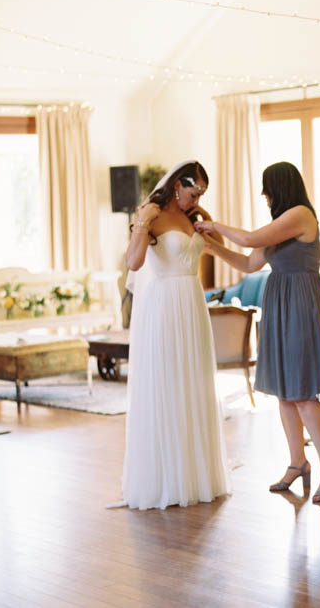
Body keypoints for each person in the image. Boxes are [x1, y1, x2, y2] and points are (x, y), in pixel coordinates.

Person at [195, 161, 320, 503]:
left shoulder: (301, 215)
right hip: (279, 302)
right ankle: (297, 462)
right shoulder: (279, 224)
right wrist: (213, 248)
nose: (263, 194)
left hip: (301, 302)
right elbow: (249, 263)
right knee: (284, 393)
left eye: (266, 187)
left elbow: (247, 239)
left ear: (280, 186)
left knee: (303, 393)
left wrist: (213, 225)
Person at [116, 160, 231, 510]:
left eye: (200, 194)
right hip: (164, 304)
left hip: (192, 303)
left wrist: (203, 216)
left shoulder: (193, 216)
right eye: (193, 192)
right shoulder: (151, 215)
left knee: (194, 384)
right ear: (176, 186)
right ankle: (166, 477)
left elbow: (217, 245)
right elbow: (134, 264)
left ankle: (195, 473)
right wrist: (142, 223)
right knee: (166, 383)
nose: (195, 199)